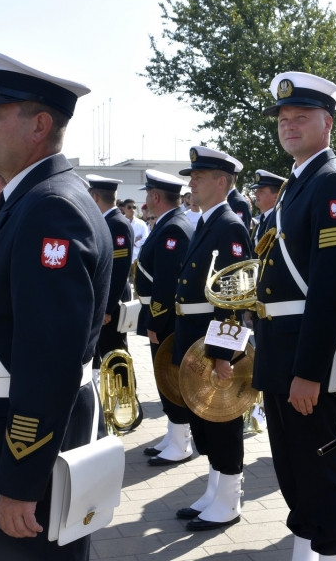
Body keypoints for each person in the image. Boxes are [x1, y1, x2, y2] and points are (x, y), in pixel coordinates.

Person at [0, 50, 110, 561]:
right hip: (1, 424)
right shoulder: (31, 200)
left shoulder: (51, 209)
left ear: (40, 125)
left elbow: (49, 356)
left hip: (25, 443)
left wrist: (22, 476)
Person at [253, 72, 336, 561]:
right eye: (283, 118)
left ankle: (331, 552)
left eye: (301, 117)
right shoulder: (299, 183)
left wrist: (308, 370)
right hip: (278, 344)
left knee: (318, 461)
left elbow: (330, 287)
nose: (289, 125)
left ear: (328, 123)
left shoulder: (332, 181)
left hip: (303, 349)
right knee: (291, 463)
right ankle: (305, 547)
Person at [171, 145, 253, 531]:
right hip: (195, 337)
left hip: (213, 341)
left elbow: (234, 299)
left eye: (199, 178)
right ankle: (214, 491)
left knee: (222, 423)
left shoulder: (230, 226)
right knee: (204, 422)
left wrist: (224, 355)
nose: (192, 183)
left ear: (222, 182)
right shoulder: (207, 222)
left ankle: (229, 500)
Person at [135, 169, 194, 462]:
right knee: (163, 377)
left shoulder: (173, 228)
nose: (146, 199)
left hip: (166, 318)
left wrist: (155, 321)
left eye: (148, 194)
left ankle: (181, 442)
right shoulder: (168, 224)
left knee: (169, 378)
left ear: (156, 197)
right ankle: (174, 434)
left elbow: (166, 283)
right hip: (162, 315)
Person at [85, 175, 135, 404]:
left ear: (95, 196)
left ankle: (124, 402)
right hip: (106, 300)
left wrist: (107, 308)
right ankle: (113, 399)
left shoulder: (117, 223)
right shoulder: (108, 221)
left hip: (112, 303)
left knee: (115, 350)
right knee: (105, 351)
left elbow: (120, 269)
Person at [248, 169, 285, 246]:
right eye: (256, 190)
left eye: (261, 191)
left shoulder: (280, 222)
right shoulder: (259, 224)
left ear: (276, 197)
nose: (255, 194)